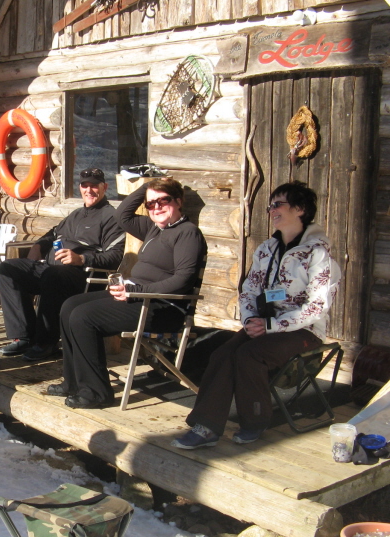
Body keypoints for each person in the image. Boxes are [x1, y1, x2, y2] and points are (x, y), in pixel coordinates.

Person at [172, 182, 340, 448]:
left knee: (249, 355)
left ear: (300, 209)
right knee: (222, 354)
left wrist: (272, 325)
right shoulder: (267, 250)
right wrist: (249, 319)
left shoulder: (318, 252)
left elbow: (317, 306)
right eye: (270, 206)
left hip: (303, 331)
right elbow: (249, 290)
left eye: (278, 204)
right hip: (263, 324)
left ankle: (255, 422)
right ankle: (207, 427)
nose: (272, 210)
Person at [52, 178, 207, 409]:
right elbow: (121, 215)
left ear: (178, 201)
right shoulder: (153, 228)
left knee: (83, 317)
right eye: (151, 203)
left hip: (162, 307)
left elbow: (182, 281)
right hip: (136, 296)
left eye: (164, 200)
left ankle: (96, 393)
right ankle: (73, 382)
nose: (157, 207)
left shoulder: (187, 233)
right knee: (70, 306)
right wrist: (148, 186)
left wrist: (135, 291)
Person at [0, 167, 124, 361]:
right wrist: (39, 245)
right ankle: (23, 336)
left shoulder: (111, 218)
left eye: (94, 186)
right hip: (53, 270)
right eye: (84, 186)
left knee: (54, 275)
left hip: (85, 275)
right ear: (80, 188)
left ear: (104, 187)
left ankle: (46, 343)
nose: (89, 190)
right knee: (8, 269)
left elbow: (115, 256)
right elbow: (52, 234)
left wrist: (81, 259)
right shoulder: (76, 215)